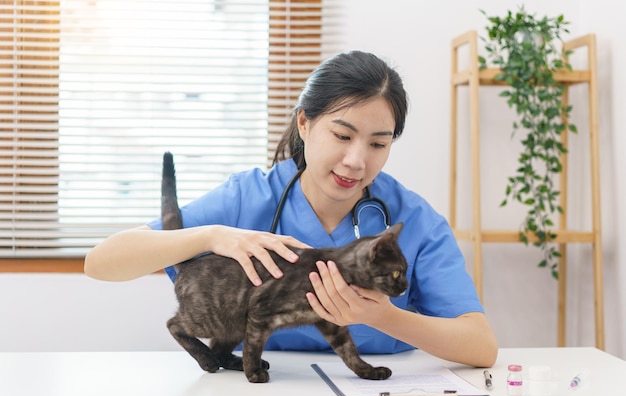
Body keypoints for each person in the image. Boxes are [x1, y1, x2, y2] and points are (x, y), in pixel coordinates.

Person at [84, 50, 498, 368]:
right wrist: (213, 236)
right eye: (342, 135)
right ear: (305, 124)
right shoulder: (248, 198)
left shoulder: (413, 219)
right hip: (254, 393)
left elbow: (481, 346)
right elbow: (101, 263)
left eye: (377, 144)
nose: (357, 160)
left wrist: (382, 317)